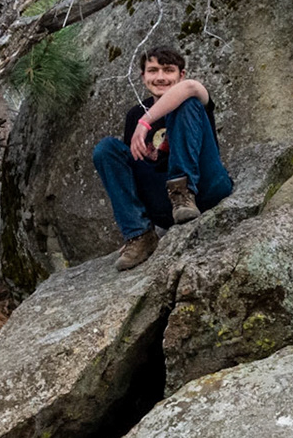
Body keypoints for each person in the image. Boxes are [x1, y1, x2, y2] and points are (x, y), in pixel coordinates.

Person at [90, 45, 233, 270]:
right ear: (143, 76)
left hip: (205, 187)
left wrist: (145, 123)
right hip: (165, 206)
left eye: (168, 70)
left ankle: (183, 192)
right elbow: (133, 171)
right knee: (105, 149)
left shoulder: (192, 98)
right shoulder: (134, 114)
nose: (160, 77)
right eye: (153, 70)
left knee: (185, 101)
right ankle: (139, 235)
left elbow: (190, 88)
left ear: (181, 75)